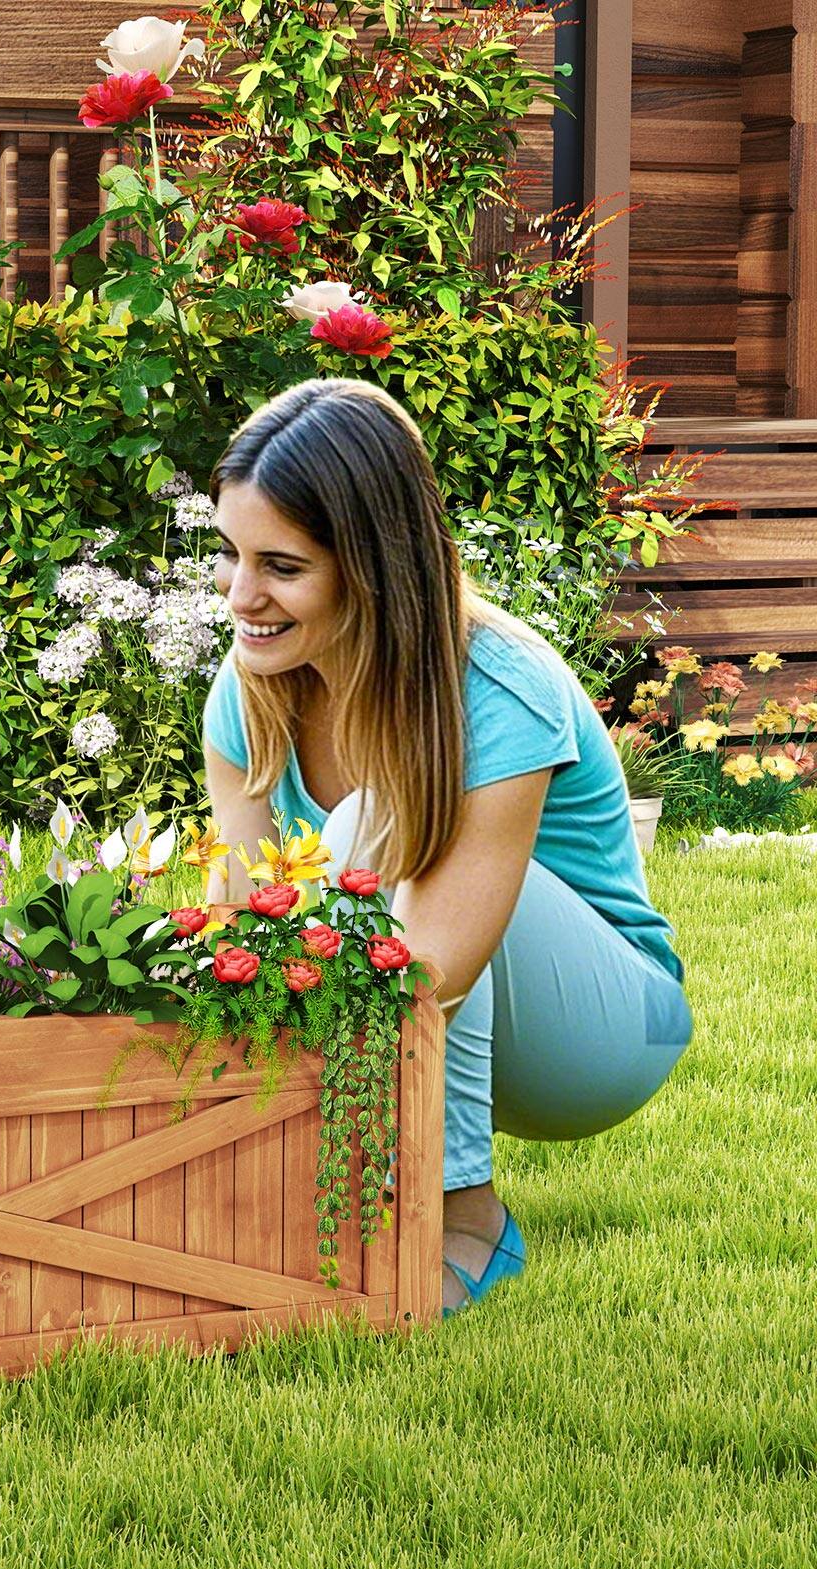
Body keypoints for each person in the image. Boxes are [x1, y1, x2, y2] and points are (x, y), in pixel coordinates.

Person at [200, 377, 693, 1319]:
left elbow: (430, 975)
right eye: (230, 555)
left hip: (610, 1032)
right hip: (460, 995)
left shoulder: (498, 687)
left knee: (368, 831)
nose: (240, 595)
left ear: (374, 567)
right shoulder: (253, 689)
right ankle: (357, 1201)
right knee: (280, 917)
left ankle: (464, 1219)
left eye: (282, 567)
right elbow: (245, 925)